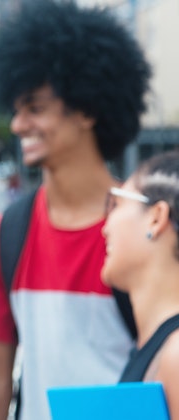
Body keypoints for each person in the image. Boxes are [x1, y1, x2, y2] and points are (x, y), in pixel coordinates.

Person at [0, 1, 152, 419]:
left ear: (86, 109)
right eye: (16, 110)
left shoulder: (147, 227)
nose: (17, 126)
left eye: (35, 108)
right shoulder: (8, 233)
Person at [103, 150, 179, 417]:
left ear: (156, 217)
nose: (105, 225)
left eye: (117, 204)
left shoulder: (176, 355)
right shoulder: (154, 345)